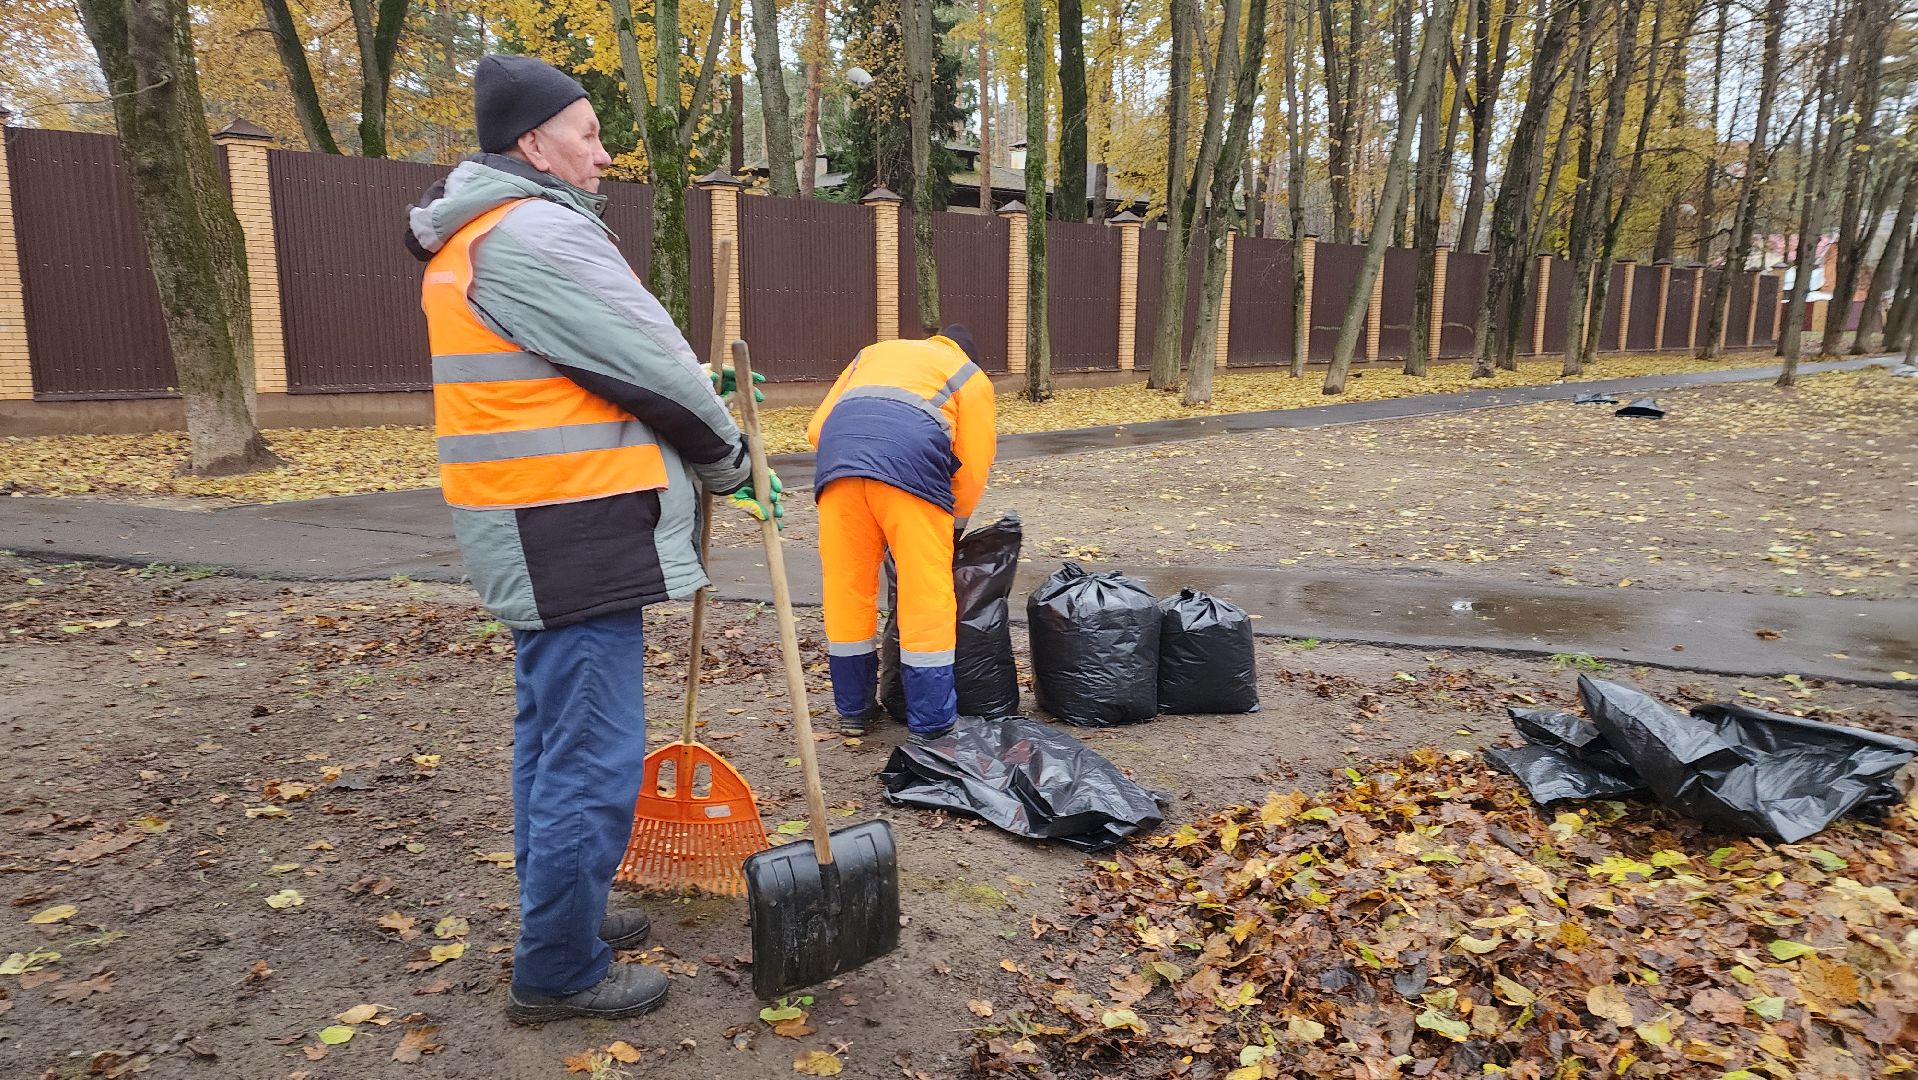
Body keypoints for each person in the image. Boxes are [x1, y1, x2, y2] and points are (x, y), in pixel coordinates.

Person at [405, 54, 781, 1025]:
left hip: (542, 526)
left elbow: (591, 370)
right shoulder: (534, 233)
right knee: (591, 759)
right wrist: (731, 458)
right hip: (567, 529)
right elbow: (647, 366)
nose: (602, 152)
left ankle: (561, 917)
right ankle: (559, 970)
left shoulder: (485, 235)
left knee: (552, 744)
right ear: (533, 143)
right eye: (586, 133)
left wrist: (695, 391)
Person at [807, 326, 996, 741]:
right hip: (911, 475)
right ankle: (931, 722)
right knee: (924, 594)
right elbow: (973, 461)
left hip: (838, 472)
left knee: (847, 589)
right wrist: (956, 526)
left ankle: (854, 712)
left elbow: (817, 429)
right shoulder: (969, 375)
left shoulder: (871, 354)